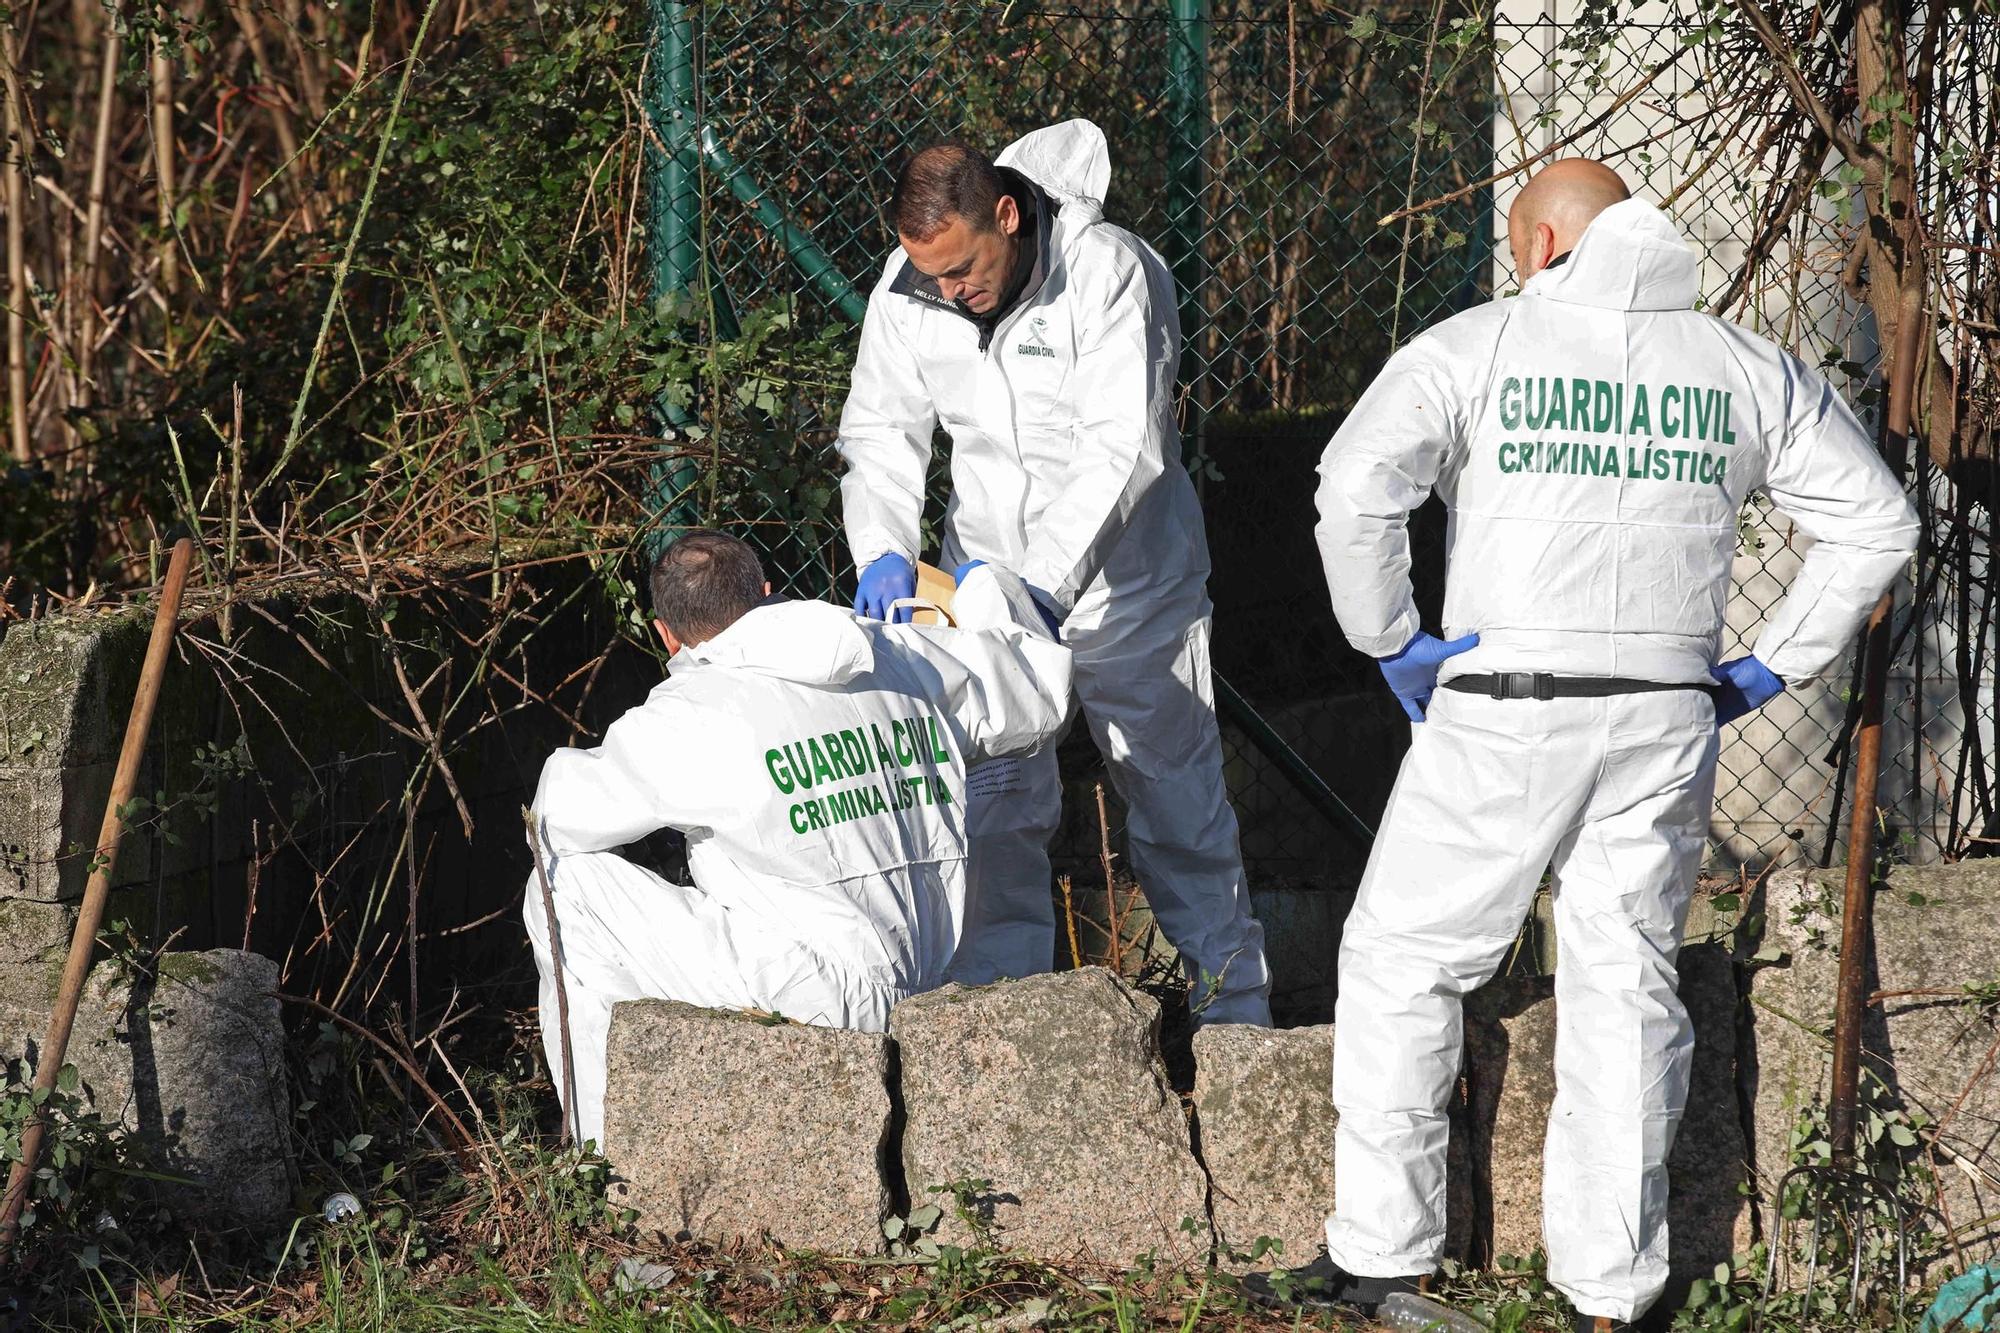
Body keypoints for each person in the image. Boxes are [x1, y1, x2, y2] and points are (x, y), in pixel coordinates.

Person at [1250, 160, 1919, 1331]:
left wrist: (1391, 638)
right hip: (1664, 709)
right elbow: (1876, 521)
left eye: (1518, 243)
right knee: (1622, 980)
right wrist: (1769, 662)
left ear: (1547, 245)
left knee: (1407, 957)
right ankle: (1610, 1294)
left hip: (1502, 702)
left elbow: (1354, 488)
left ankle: (1384, 1255)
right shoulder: (1739, 366)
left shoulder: (1478, 346)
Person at [834, 119, 1271, 1025]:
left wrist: (1048, 586)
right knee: (991, 808)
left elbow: (1125, 448)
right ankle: (1011, 1025)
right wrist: (880, 543)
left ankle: (1236, 1017)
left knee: (1175, 803)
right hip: (982, 588)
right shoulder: (910, 288)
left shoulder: (1109, 271)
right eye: (931, 275)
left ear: (1005, 213)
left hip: (1128, 593)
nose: (950, 293)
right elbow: (883, 427)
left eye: (962, 269)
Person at [524, 530, 1072, 1144]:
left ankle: (604, 1155)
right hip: (936, 979)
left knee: (564, 888)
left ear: (664, 633)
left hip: (816, 996)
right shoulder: (893, 653)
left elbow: (554, 822)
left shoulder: (687, 716)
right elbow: (1037, 697)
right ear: (765, 593)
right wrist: (985, 589)